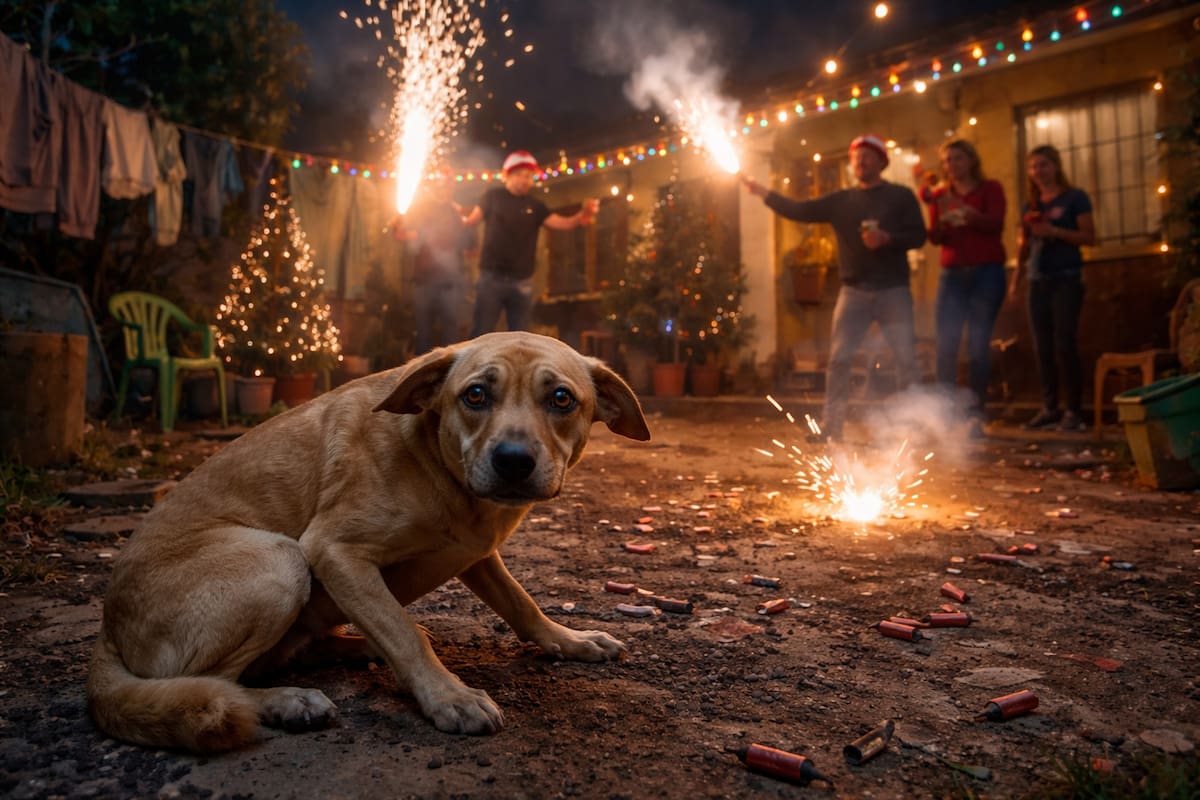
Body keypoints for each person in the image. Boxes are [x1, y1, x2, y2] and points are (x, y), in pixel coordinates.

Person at [743, 133, 927, 443]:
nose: (860, 161)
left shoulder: (900, 197)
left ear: (881, 161)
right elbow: (799, 210)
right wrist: (763, 192)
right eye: (856, 157)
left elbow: (919, 236)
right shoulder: (841, 201)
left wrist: (888, 239)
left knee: (905, 359)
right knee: (839, 359)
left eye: (867, 156)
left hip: (893, 290)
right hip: (853, 292)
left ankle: (912, 427)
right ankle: (832, 427)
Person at [462, 151, 598, 336]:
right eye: (519, 175)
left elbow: (562, 223)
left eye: (528, 176)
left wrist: (582, 215)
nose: (524, 180)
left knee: (521, 337)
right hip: (491, 279)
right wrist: (457, 217)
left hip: (522, 281)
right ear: (508, 175)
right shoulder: (492, 196)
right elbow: (471, 220)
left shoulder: (536, 206)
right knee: (482, 333)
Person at [1009, 144, 1096, 432]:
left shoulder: (1075, 198)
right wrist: (1017, 278)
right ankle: (1050, 408)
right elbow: (1024, 245)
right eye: (1033, 167)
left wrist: (1055, 231)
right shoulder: (1030, 206)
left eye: (1043, 165)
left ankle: (1074, 410)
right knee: (1042, 346)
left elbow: (1089, 237)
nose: (1038, 171)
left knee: (1065, 342)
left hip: (1066, 277)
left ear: (1056, 166)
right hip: (1037, 279)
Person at [924, 139, 1007, 438]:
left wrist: (972, 216)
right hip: (952, 274)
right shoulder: (941, 196)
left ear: (971, 160)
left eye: (957, 158)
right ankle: (945, 412)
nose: (952, 165)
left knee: (977, 345)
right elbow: (935, 237)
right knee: (946, 344)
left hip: (986, 271)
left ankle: (975, 413)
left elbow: (996, 224)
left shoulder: (990, 189)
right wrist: (940, 225)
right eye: (947, 160)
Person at [391, 171, 473, 355]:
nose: (443, 189)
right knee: (423, 333)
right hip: (424, 282)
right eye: (440, 185)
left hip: (450, 284)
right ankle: (421, 370)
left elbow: (469, 246)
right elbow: (403, 235)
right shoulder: (424, 211)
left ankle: (450, 371)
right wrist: (397, 225)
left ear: (451, 188)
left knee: (450, 334)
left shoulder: (457, 212)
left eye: (447, 185)